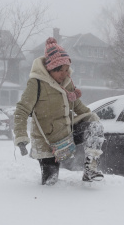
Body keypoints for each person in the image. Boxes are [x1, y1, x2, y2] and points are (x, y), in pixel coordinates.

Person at [14, 37, 105, 185]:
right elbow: (21, 110)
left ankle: (91, 169)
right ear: (50, 69)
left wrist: (94, 119)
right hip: (47, 141)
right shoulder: (36, 83)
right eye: (60, 70)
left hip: (67, 133)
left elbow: (78, 106)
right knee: (51, 183)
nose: (64, 74)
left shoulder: (67, 83)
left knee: (95, 126)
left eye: (66, 70)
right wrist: (21, 137)